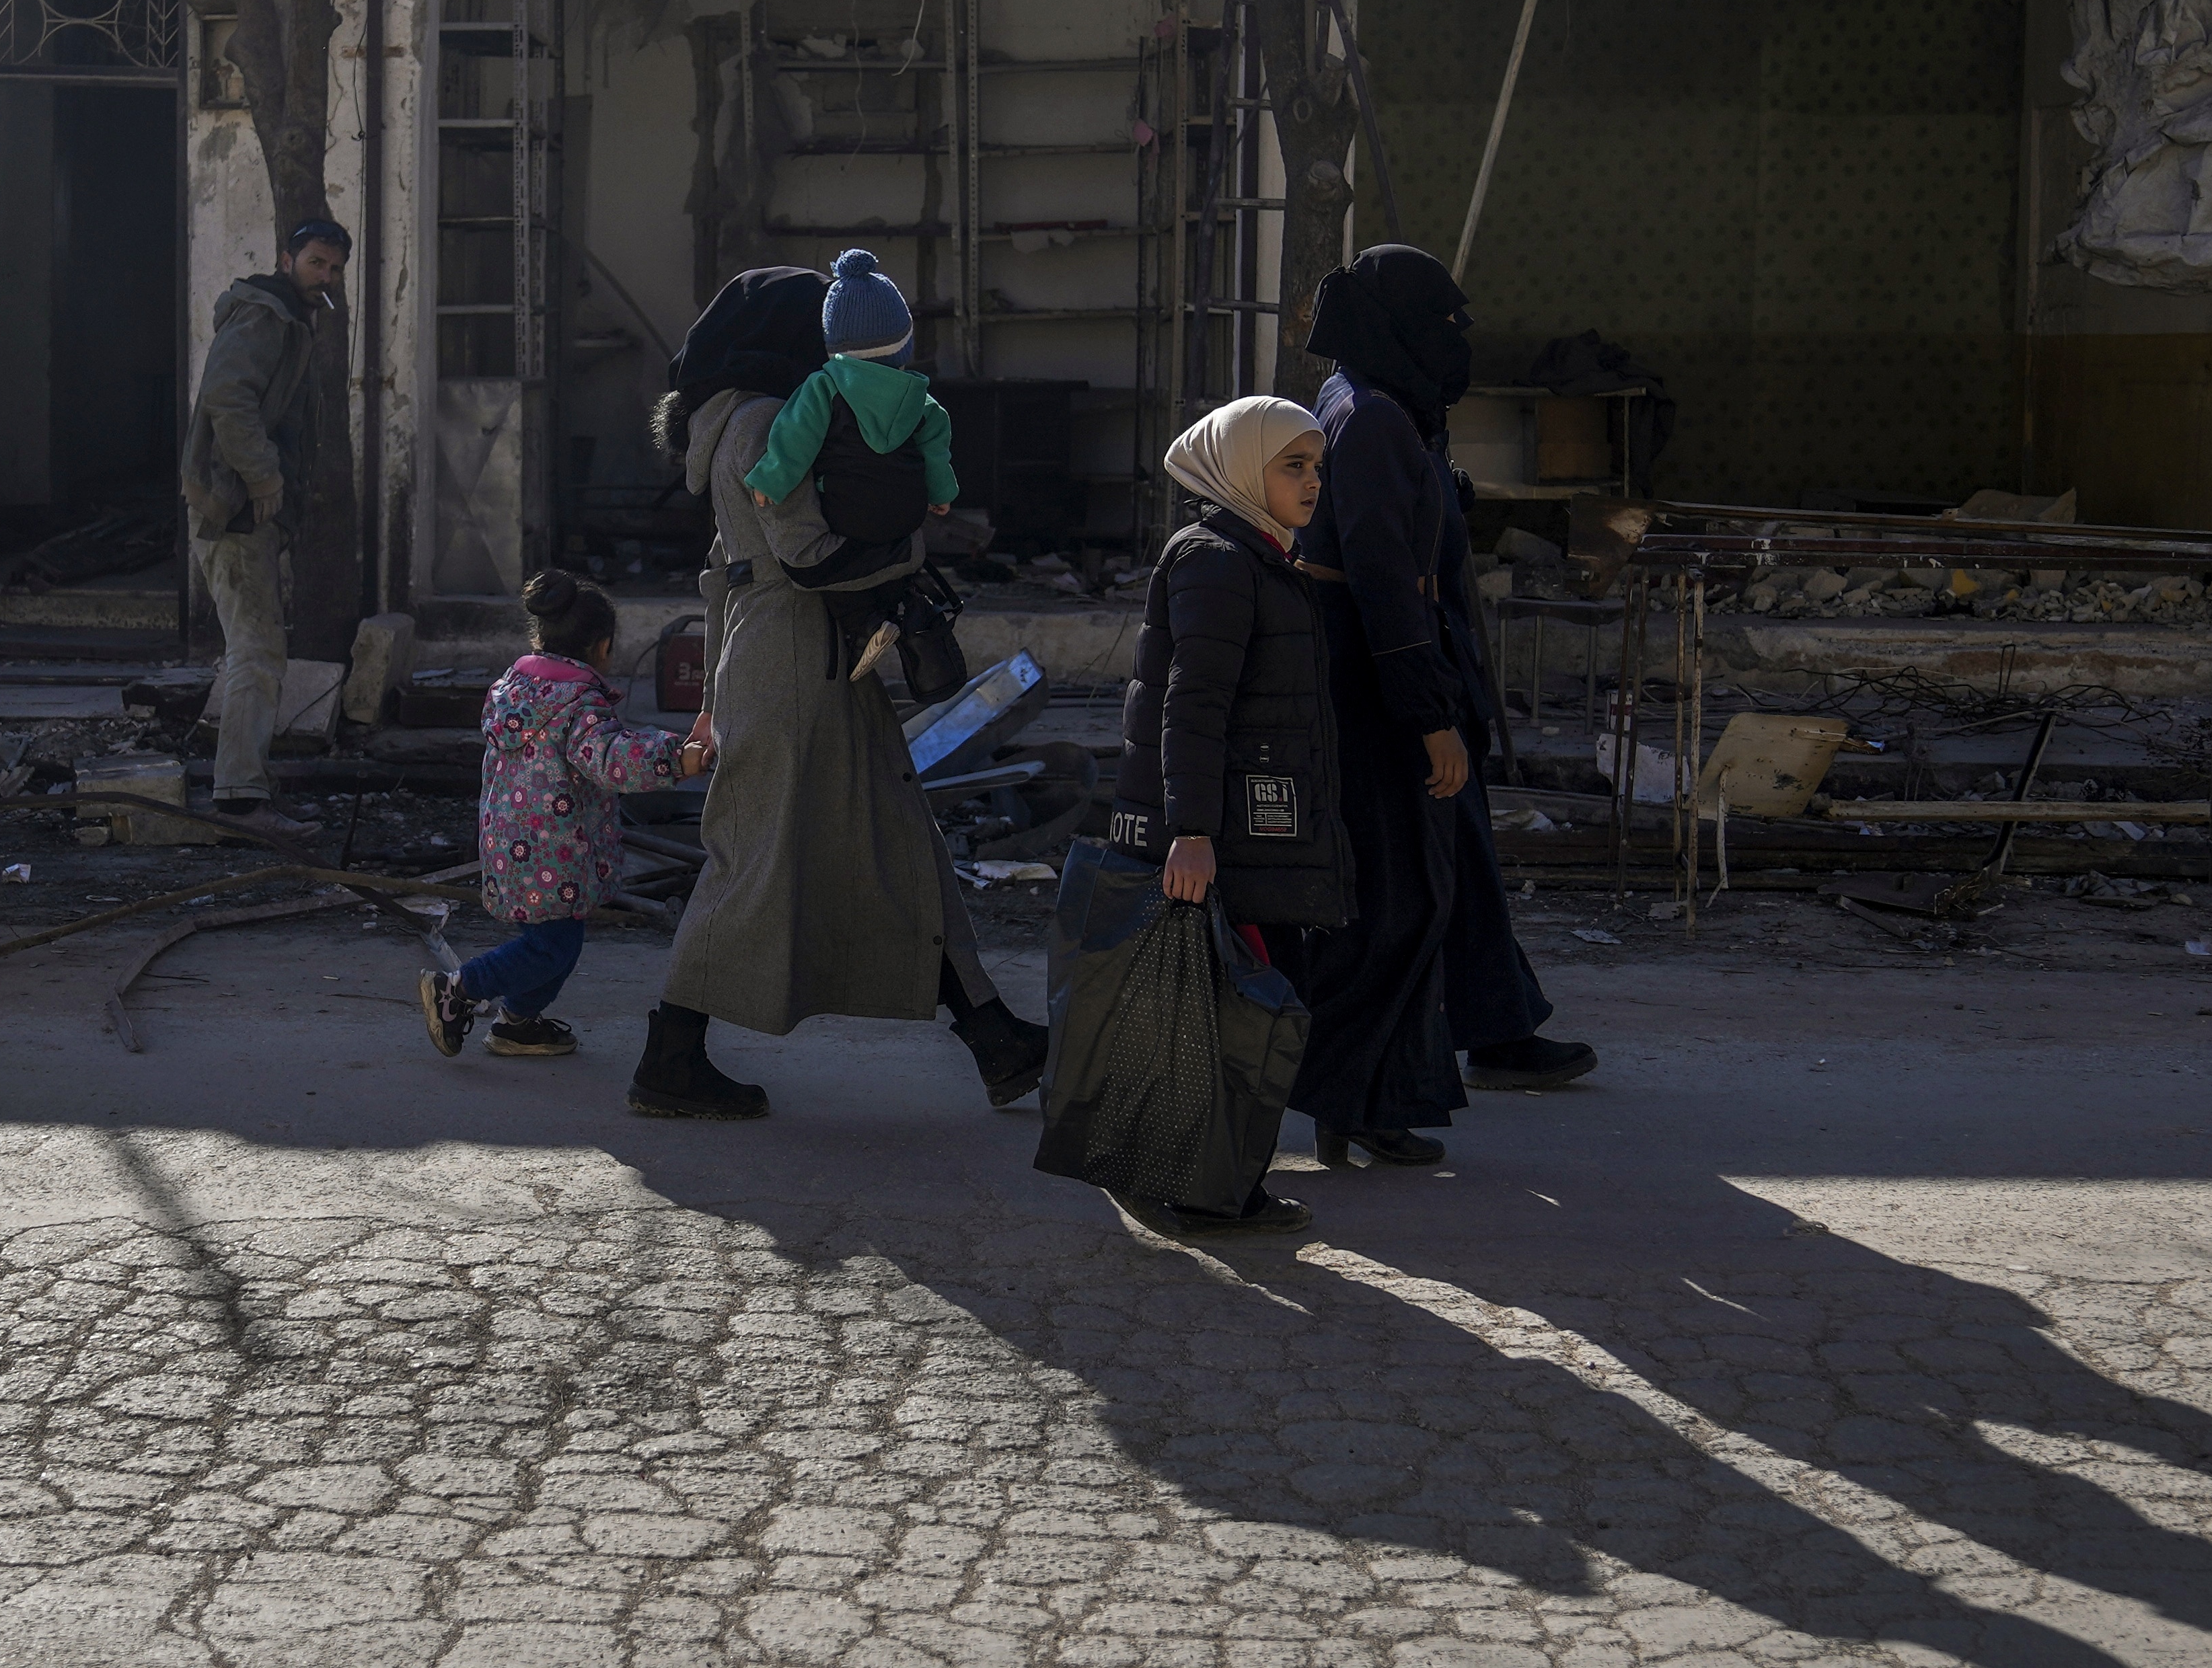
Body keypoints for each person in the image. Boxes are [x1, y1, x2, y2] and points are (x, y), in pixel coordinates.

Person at [636, 266, 1049, 1121]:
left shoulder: (736, 421)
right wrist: (913, 550)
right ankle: (668, 1057)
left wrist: (714, 691)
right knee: (752, 863)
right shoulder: (762, 422)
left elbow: (722, 577)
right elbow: (804, 554)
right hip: (796, 659)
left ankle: (993, 1035)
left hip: (798, 661)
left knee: (897, 842)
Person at [1285, 243, 1597, 1162]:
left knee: (1431, 879)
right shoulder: (1372, 418)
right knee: (1400, 897)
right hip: (1384, 684)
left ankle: (1412, 1074)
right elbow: (1384, 577)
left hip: (1394, 673)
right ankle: (1361, 1094)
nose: (1456, 341)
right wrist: (1426, 711)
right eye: (1442, 322)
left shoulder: (1371, 403)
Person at [1100, 395, 1345, 1236]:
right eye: (1293, 466)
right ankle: (1209, 1188)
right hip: (1223, 836)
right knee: (1235, 1013)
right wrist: (1192, 832)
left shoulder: (1261, 555)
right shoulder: (1217, 559)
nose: (1313, 482)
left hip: (1254, 831)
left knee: (1246, 1011)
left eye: (1316, 465)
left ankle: (1219, 1185)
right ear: (1244, 469)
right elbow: (1191, 706)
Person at [418, 570, 716, 1059]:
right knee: (550, 948)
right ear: (604, 647)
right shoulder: (579, 704)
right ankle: (458, 989)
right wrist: (675, 758)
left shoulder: (513, 690)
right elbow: (612, 760)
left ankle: (517, 1023)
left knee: (557, 943)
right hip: (556, 852)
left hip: (512, 846)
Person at [182, 215, 347, 819]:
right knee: (256, 650)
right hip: (236, 509)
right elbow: (230, 397)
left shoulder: (289, 319)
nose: (324, 276)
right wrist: (264, 475)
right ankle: (241, 793)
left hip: (248, 509)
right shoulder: (265, 316)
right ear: (287, 261)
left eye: (333, 268)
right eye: (315, 264)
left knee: (257, 647)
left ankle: (245, 783)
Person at [741, 249, 961, 543]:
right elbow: (936, 454)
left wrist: (770, 480)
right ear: (904, 344)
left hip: (844, 511)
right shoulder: (922, 400)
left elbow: (796, 437)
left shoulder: (825, 386)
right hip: (907, 513)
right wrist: (942, 493)